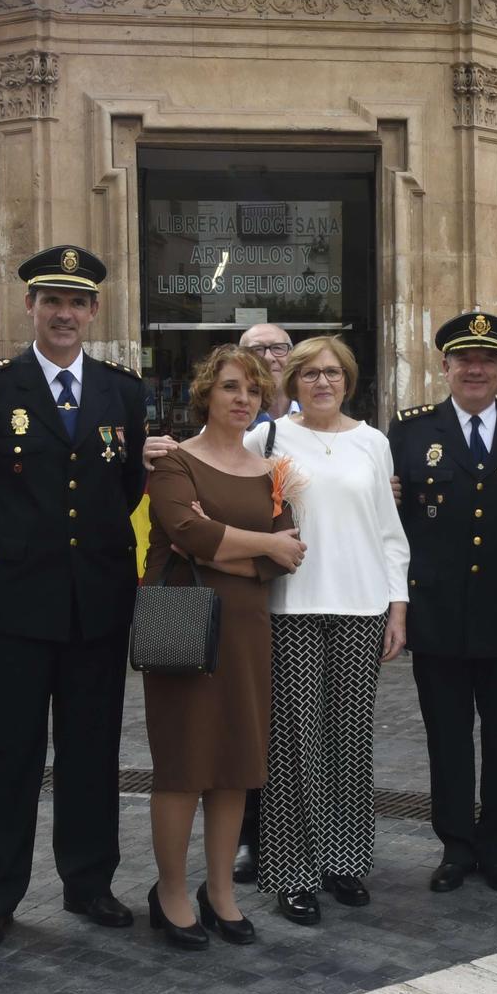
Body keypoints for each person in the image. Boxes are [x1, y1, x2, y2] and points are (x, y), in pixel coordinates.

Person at [0, 246, 148, 952]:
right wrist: (16, 543)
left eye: (77, 301)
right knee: (11, 751)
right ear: (29, 306)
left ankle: (89, 883)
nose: (63, 313)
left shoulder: (124, 392)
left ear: (93, 311)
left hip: (97, 601)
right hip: (14, 604)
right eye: (50, 300)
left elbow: (125, 490)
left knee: (92, 750)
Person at [140, 346, 305, 948]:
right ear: (206, 392)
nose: (243, 399)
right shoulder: (175, 462)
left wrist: (226, 545)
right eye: (231, 387)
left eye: (254, 391)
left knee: (236, 765)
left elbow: (287, 552)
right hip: (182, 626)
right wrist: (250, 543)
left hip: (246, 630)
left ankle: (220, 891)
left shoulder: (274, 473)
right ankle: (171, 892)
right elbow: (185, 531)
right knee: (184, 765)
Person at [242, 337, 408, 925]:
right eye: (310, 373)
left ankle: (342, 862)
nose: (321, 382)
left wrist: (397, 605)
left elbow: (389, 531)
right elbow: (217, 475)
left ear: (349, 379)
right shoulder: (267, 439)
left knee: (349, 742)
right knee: (293, 745)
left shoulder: (373, 442)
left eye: (333, 372)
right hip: (291, 607)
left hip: (361, 606)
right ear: (293, 382)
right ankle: (292, 873)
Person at [390, 311, 497, 893]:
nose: (475, 369)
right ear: (446, 366)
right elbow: (393, 523)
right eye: (463, 359)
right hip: (436, 613)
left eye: (487, 360)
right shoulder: (409, 431)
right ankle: (456, 845)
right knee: (448, 736)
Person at [232, 320, 294, 881]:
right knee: (254, 721)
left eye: (278, 347)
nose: (269, 357)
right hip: (255, 597)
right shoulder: (242, 429)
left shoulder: (322, 416)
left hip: (314, 596)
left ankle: (301, 831)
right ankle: (250, 835)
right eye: (257, 348)